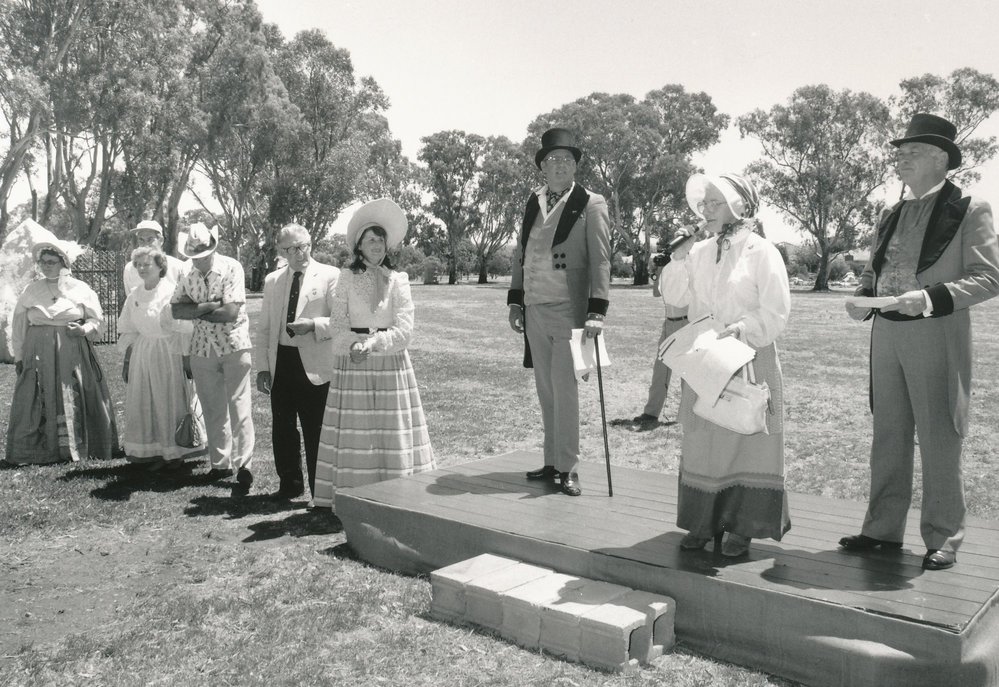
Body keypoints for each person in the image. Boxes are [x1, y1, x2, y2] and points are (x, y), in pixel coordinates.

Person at [840, 114, 999, 571]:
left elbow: (989, 278)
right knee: (887, 435)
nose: (899, 160)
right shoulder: (890, 213)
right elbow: (874, 270)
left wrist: (928, 299)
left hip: (935, 334)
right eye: (900, 153)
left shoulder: (970, 209)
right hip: (886, 334)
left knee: (938, 436)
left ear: (940, 159)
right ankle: (881, 531)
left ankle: (943, 536)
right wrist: (861, 298)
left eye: (910, 153)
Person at [659, 172, 791, 557]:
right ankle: (703, 522)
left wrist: (744, 328)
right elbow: (676, 298)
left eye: (715, 203)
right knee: (703, 442)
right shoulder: (699, 252)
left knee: (746, 440)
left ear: (740, 206)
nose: (706, 210)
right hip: (705, 360)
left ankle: (742, 528)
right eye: (704, 204)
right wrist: (678, 259)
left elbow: (776, 311)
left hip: (749, 355)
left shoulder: (761, 251)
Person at [508, 127, 611, 496]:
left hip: (570, 310)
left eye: (567, 160)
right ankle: (552, 461)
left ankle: (569, 467)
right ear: (543, 167)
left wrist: (597, 310)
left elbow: (601, 260)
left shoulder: (591, 203)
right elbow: (522, 254)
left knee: (565, 390)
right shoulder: (532, 202)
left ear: (575, 166)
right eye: (553, 160)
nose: (560, 165)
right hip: (535, 308)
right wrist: (515, 299)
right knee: (546, 389)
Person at [312, 199, 435, 509]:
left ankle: (396, 495)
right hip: (355, 364)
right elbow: (338, 325)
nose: (376, 246)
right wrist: (355, 344)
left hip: (389, 363)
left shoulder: (399, 280)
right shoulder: (347, 277)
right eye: (370, 240)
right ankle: (356, 496)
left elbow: (405, 330)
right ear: (359, 246)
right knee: (359, 434)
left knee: (389, 432)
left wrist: (374, 343)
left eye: (380, 240)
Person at [5, 240, 119, 464]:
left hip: (72, 349)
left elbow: (97, 320)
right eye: (43, 262)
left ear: (63, 263)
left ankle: (77, 446)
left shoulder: (80, 288)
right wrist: (19, 356)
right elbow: (19, 326)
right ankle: (39, 448)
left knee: (74, 391)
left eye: (51, 262)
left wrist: (83, 329)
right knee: (37, 394)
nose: (46, 266)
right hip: (38, 351)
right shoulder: (32, 290)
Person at [255, 223, 340, 501]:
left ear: (311, 243)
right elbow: (265, 328)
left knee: (316, 430)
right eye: (290, 249)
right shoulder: (272, 281)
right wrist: (263, 368)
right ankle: (289, 484)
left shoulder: (330, 275)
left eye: (302, 246)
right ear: (282, 251)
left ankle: (322, 491)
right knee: (283, 430)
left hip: (315, 364)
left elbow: (342, 322)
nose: (298, 253)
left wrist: (314, 325)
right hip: (281, 361)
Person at [171, 222, 255, 492]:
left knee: (239, 407)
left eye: (204, 254)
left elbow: (230, 313)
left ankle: (244, 466)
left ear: (213, 247)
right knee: (212, 408)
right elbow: (176, 310)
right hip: (201, 347)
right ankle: (220, 465)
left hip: (233, 344)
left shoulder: (232, 267)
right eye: (195, 255)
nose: (200, 259)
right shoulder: (186, 271)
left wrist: (194, 310)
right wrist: (211, 306)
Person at [117, 247, 204, 467]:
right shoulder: (135, 295)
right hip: (144, 353)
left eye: (148, 264)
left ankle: (173, 451)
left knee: (168, 399)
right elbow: (128, 328)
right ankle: (149, 450)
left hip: (168, 352)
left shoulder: (171, 292)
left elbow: (184, 327)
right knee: (145, 400)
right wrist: (128, 358)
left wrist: (185, 357)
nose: (143, 268)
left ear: (160, 266)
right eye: (139, 265)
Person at [623, 249, 689, 431]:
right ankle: (651, 412)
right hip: (668, 324)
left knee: (687, 372)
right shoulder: (669, 268)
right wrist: (660, 270)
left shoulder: (690, 265)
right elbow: (656, 293)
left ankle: (688, 414)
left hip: (687, 324)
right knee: (661, 369)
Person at [122, 219, 189, 293]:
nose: (145, 245)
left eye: (150, 239)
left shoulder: (178, 267)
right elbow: (130, 300)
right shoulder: (129, 269)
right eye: (141, 240)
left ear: (161, 240)